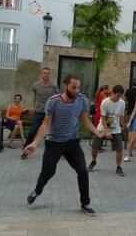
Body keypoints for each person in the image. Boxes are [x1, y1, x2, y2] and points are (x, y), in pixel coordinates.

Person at [24, 74, 105, 215]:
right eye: (73, 87)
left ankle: (85, 203)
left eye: (78, 87)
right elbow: (46, 124)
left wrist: (96, 132)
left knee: (82, 171)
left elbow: (85, 120)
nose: (76, 90)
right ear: (65, 86)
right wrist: (35, 143)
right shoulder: (53, 101)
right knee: (48, 173)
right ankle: (37, 190)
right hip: (54, 143)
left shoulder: (82, 100)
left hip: (72, 143)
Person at [88, 85, 126, 176]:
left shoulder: (122, 103)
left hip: (115, 126)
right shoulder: (105, 102)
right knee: (95, 146)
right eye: (117, 95)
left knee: (119, 148)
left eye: (120, 96)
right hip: (103, 126)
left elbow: (121, 116)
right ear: (112, 92)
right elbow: (103, 118)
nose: (118, 98)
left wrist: (123, 126)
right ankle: (93, 161)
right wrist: (107, 131)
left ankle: (119, 167)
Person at [21, 67, 59, 159]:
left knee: (57, 132)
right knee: (33, 131)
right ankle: (25, 151)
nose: (46, 75)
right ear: (41, 74)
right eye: (44, 73)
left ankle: (62, 152)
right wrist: (32, 106)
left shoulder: (54, 86)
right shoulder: (36, 85)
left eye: (48, 73)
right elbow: (34, 96)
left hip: (50, 113)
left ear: (49, 75)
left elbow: (57, 98)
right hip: (39, 112)